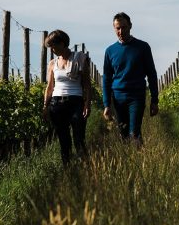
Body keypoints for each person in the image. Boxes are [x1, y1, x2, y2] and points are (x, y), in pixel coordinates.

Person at [102, 12, 158, 142]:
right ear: (114, 28)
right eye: (118, 28)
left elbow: (151, 73)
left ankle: (139, 159)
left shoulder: (143, 47)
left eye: (124, 27)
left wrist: (154, 100)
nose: (121, 31)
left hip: (136, 96)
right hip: (118, 97)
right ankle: (127, 159)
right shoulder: (110, 51)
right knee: (123, 133)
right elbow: (106, 79)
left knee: (135, 133)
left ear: (130, 26)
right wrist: (106, 104)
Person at [42, 30, 91, 164]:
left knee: (79, 137)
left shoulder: (79, 58)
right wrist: (45, 106)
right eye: (50, 46)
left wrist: (87, 104)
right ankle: (68, 170)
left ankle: (85, 168)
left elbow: (87, 84)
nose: (52, 49)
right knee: (63, 139)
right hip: (57, 103)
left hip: (76, 101)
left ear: (62, 43)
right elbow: (50, 87)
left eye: (53, 46)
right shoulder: (52, 63)